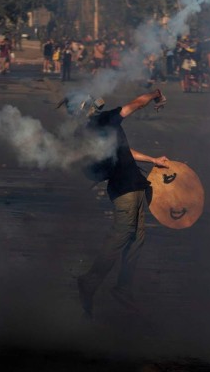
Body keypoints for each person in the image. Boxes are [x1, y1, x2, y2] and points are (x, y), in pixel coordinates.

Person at [76, 89, 169, 319]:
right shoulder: (103, 121)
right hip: (125, 190)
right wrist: (154, 93)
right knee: (122, 234)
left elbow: (124, 151)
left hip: (132, 186)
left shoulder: (93, 129)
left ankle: (123, 288)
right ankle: (90, 281)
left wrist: (153, 160)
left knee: (137, 237)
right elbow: (136, 104)